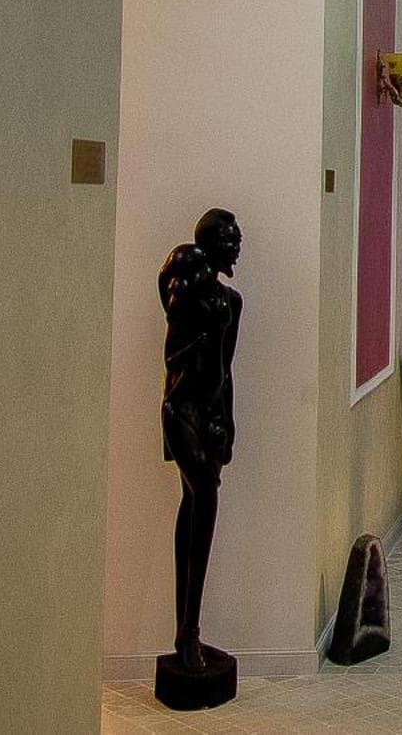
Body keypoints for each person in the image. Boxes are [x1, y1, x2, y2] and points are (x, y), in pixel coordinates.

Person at [159, 208, 243, 672]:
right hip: (181, 409)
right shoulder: (187, 284)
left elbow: (225, 370)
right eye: (230, 239)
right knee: (203, 498)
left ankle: (188, 632)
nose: (237, 247)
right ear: (211, 244)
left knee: (195, 504)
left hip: (209, 415)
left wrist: (227, 420)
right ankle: (187, 634)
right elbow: (175, 347)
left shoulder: (232, 302)